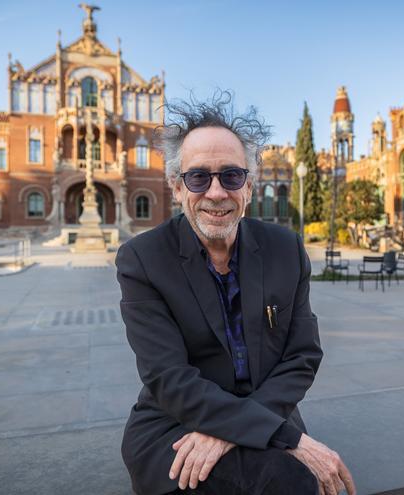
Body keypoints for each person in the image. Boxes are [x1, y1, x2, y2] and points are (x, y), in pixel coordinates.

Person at [116, 92, 356, 495]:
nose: (216, 192)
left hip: (267, 409)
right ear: (177, 187)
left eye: (231, 176)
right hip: (176, 425)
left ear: (248, 184)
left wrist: (232, 430)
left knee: (290, 482)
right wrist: (287, 438)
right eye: (198, 177)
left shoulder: (286, 249)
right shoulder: (142, 259)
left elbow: (302, 356)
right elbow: (169, 378)